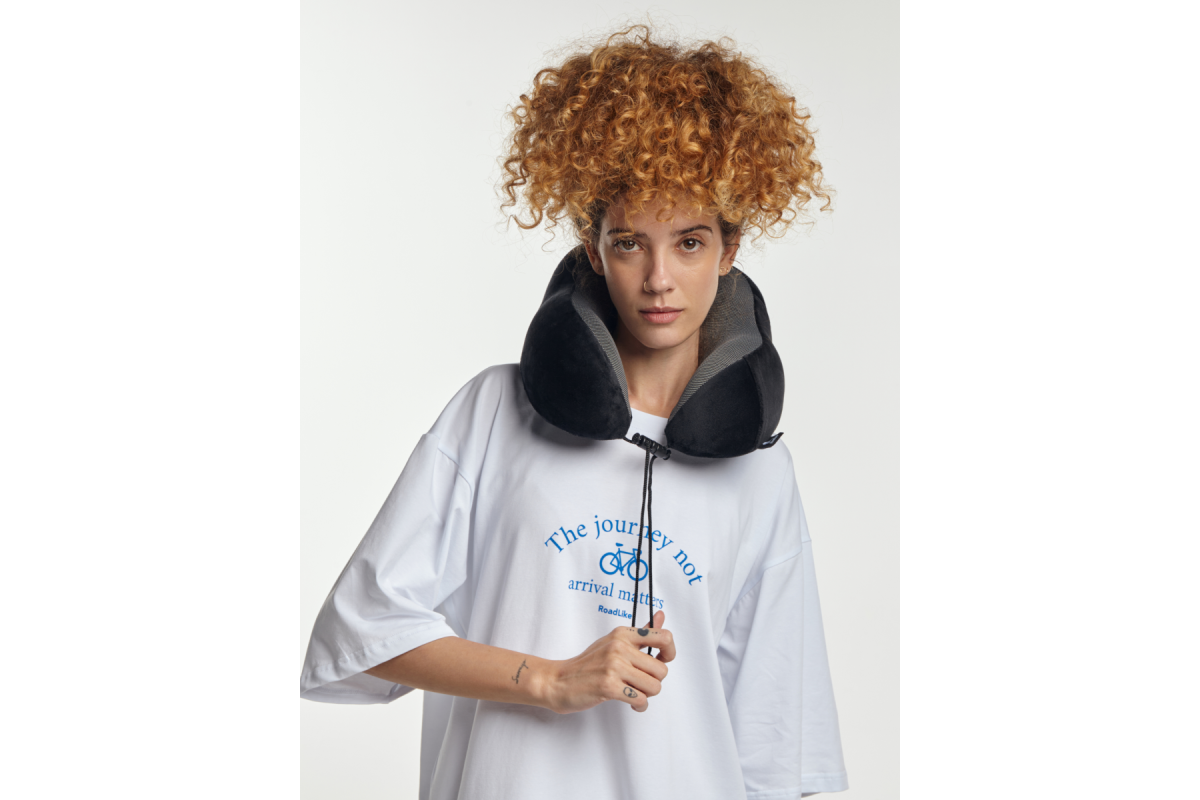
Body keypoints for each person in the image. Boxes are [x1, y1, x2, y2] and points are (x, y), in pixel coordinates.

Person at [300, 25, 849, 800]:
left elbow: (775, 752)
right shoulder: (495, 414)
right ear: (592, 249)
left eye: (689, 242)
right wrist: (550, 680)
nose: (658, 278)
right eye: (629, 243)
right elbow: (361, 629)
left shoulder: (760, 472)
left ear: (730, 249)